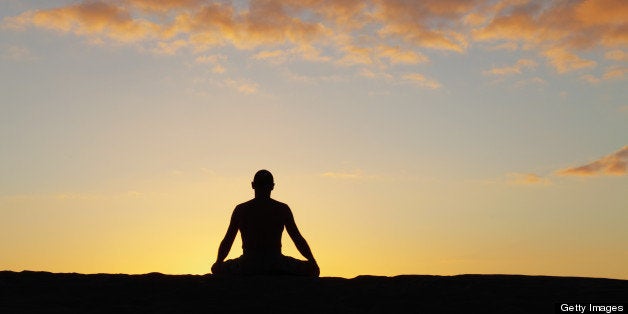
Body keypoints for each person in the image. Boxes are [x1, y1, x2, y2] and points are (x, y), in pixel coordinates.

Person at [211, 170, 320, 276]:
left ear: (253, 185)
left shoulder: (241, 209)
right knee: (310, 269)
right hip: (276, 263)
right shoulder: (282, 209)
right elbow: (297, 238)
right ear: (272, 186)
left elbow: (228, 239)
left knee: (216, 268)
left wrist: (219, 262)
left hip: (248, 264)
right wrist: (312, 261)